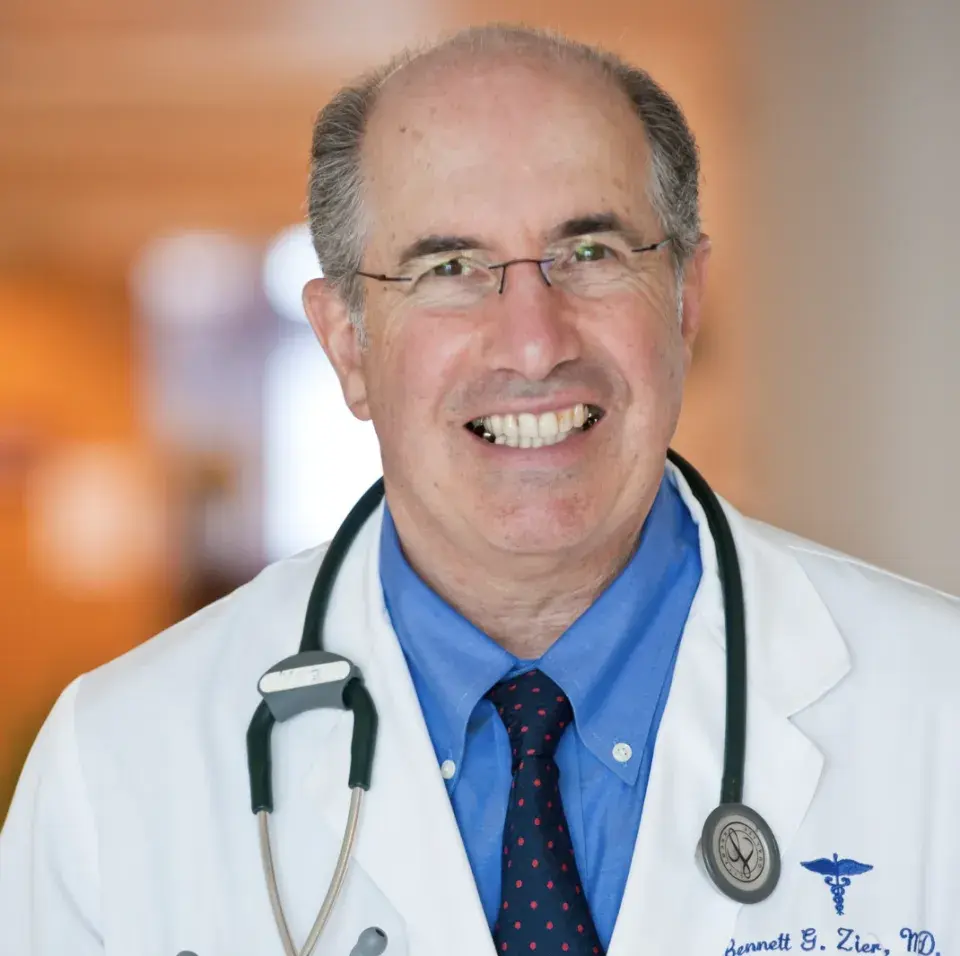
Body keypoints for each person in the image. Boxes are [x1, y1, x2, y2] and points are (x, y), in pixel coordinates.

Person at [3, 23, 960, 956]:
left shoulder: (936, 707)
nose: (535, 341)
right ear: (347, 342)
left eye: (591, 252)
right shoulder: (116, 767)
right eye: (449, 267)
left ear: (685, 300)